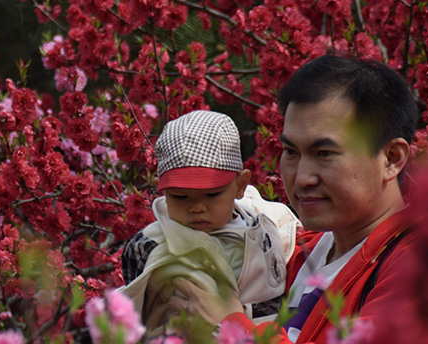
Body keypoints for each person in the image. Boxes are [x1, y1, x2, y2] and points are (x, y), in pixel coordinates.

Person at [170, 55, 428, 344]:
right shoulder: (297, 251)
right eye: (291, 152)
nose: (302, 178)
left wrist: (232, 328)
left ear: (392, 159)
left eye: (325, 154)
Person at [120, 110, 301, 332]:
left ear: (240, 185)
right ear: (162, 190)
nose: (197, 207)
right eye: (180, 197)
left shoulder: (267, 222)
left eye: (212, 194)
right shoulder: (151, 245)